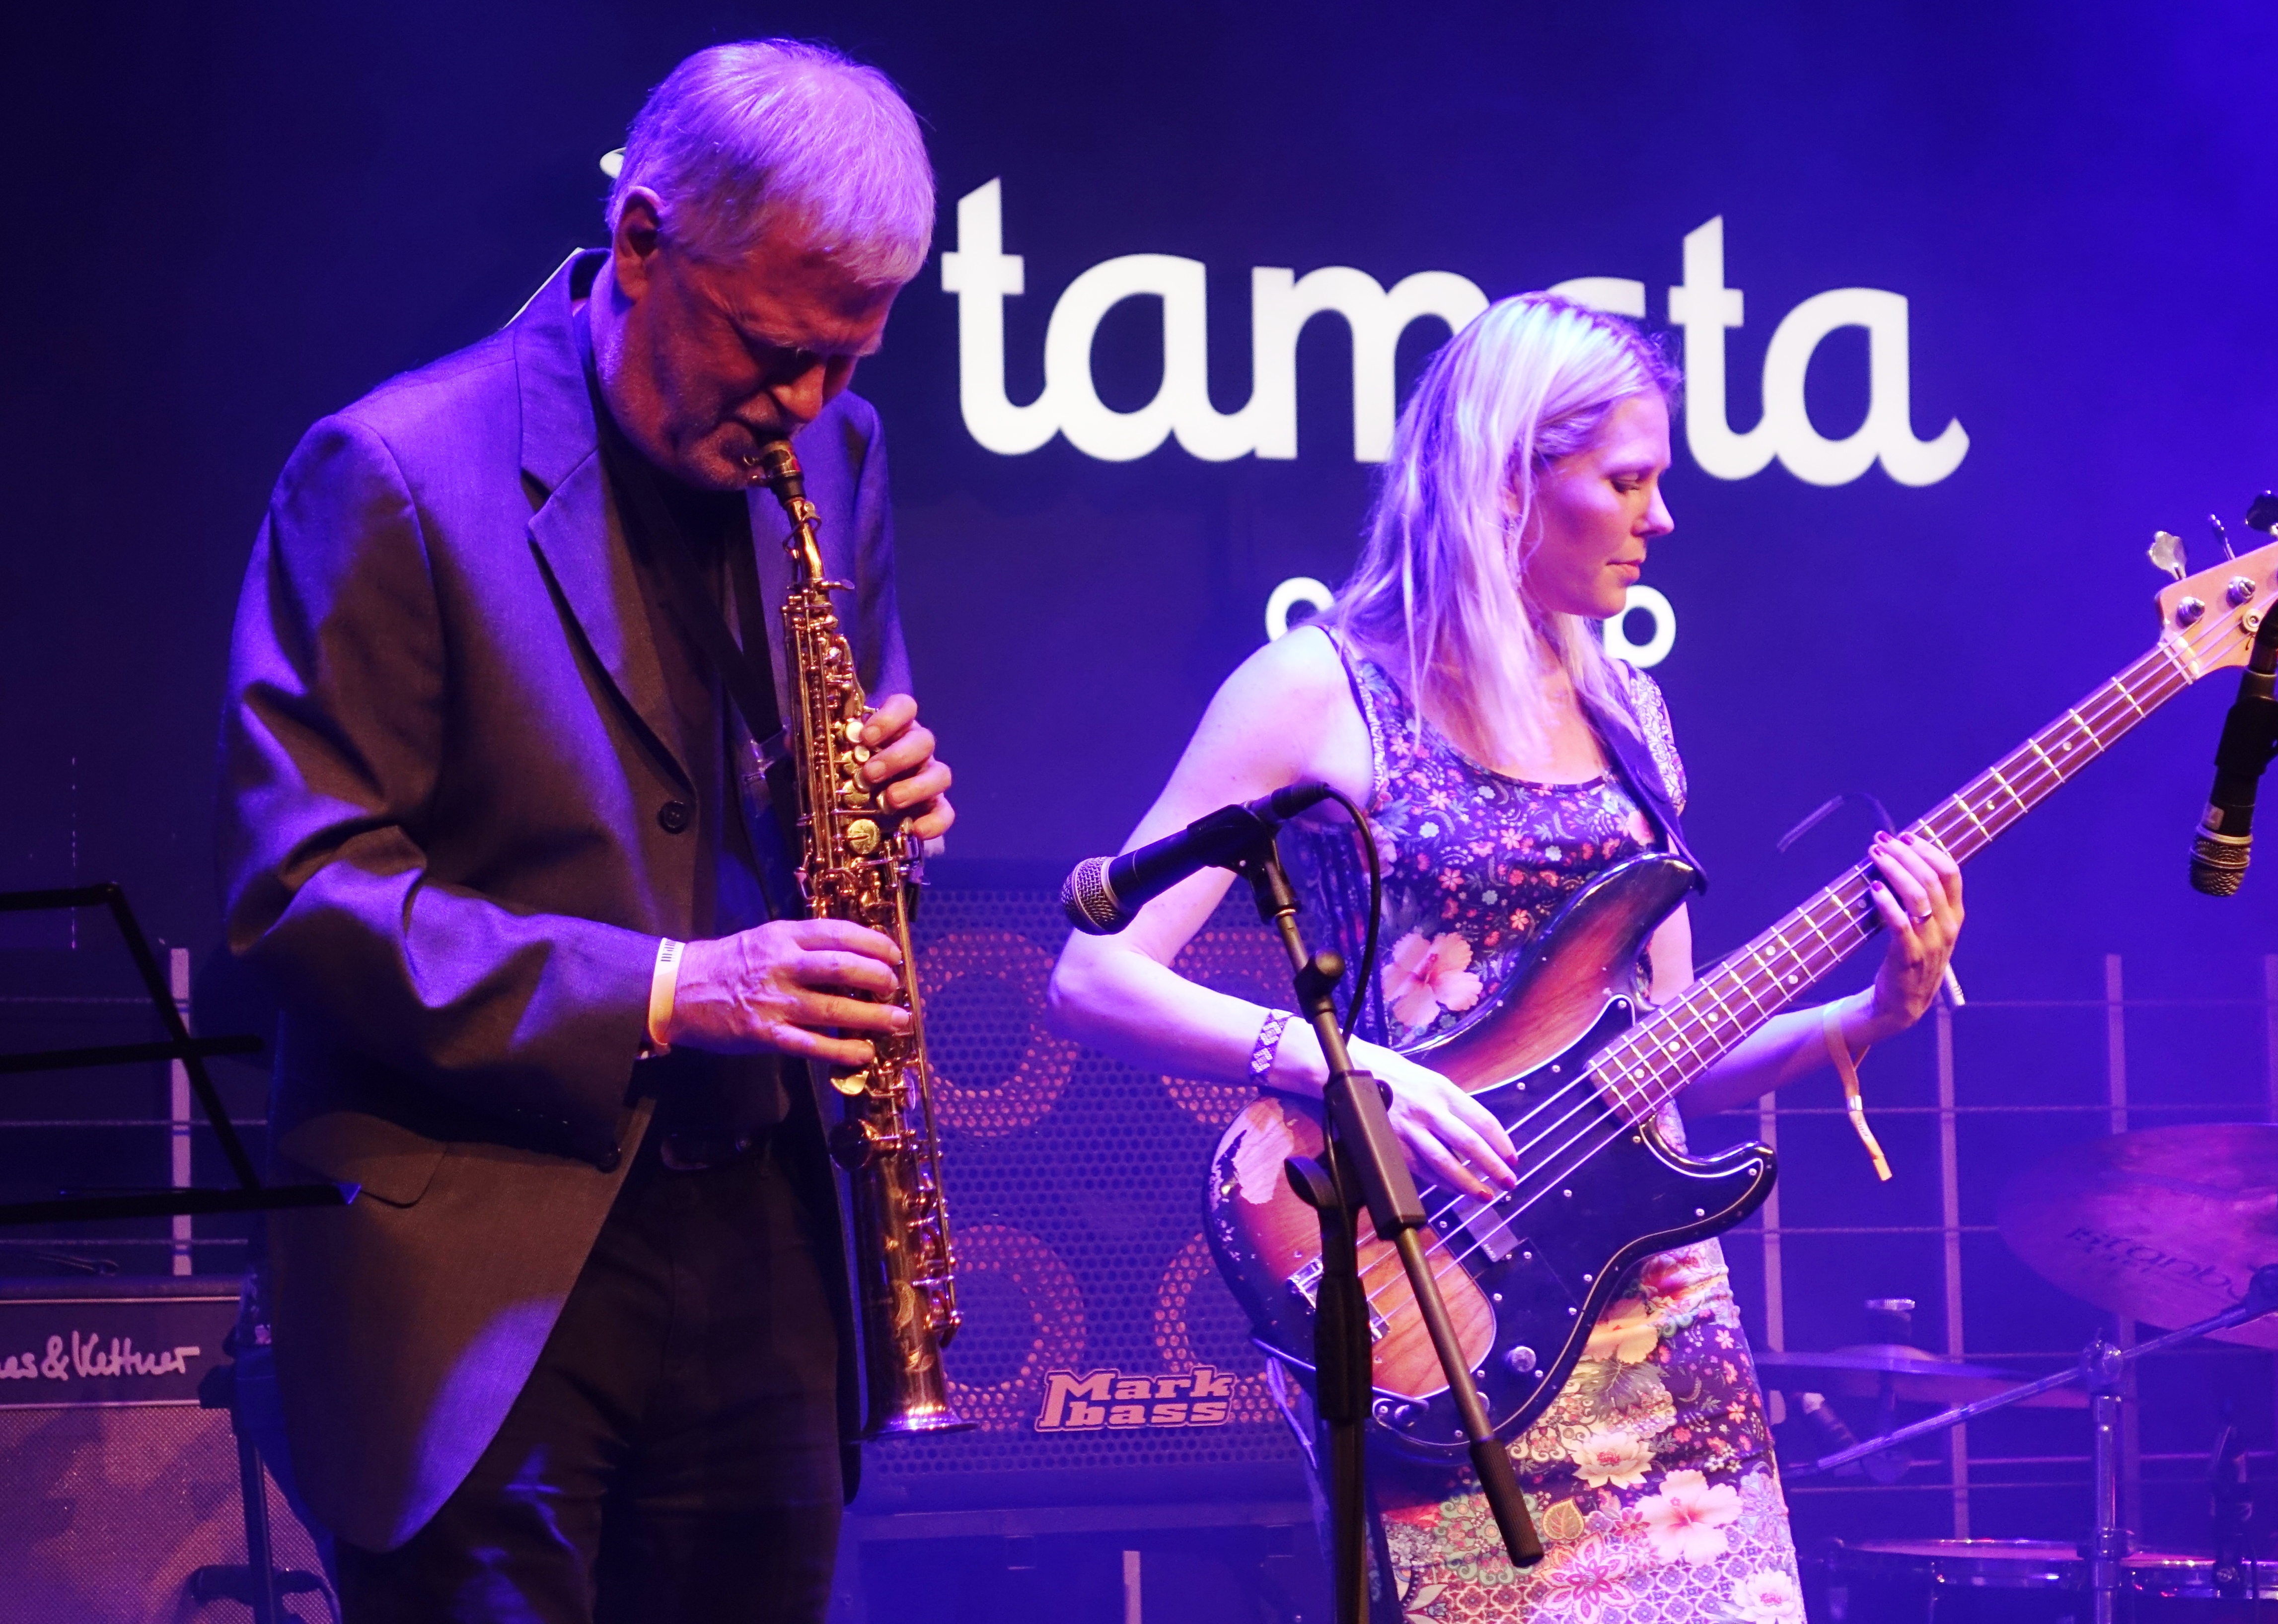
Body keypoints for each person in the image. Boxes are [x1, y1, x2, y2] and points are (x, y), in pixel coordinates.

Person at [1048, 293, 1962, 1624]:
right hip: (1425, 1284)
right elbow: (1094, 974)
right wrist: (1348, 1063)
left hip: (1654, 1316)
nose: (1664, 517)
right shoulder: (1317, 689)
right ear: (1507, 476)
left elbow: (1674, 1057)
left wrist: (1878, 1008)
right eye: (1629, 479)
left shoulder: (1628, 706)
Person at [217, 41, 950, 1623]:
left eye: (849, 360)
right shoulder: (394, 473)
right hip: (494, 1272)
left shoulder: (839, 455)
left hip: (766, 1243)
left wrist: (888, 806)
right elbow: (303, 893)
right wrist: (675, 991)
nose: (806, 406)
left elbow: (815, 802)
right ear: (640, 241)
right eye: (773, 348)